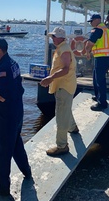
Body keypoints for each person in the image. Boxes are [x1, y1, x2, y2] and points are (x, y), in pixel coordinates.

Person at [0, 37, 32, 197]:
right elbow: (7, 84)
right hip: (17, 109)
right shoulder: (12, 63)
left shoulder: (3, 68)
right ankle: (27, 171)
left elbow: (1, 96)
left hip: (7, 113)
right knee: (16, 142)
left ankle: (2, 187)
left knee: (3, 149)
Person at [39, 27, 79, 156]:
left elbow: (66, 69)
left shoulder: (64, 49)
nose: (52, 38)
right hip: (63, 84)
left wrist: (50, 78)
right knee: (65, 108)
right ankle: (73, 127)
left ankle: (62, 146)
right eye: (52, 36)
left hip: (65, 85)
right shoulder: (62, 47)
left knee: (61, 115)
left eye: (54, 36)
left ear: (61, 37)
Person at [85, 14, 109, 111]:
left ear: (97, 20)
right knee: (96, 77)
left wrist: (87, 52)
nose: (91, 23)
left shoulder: (97, 30)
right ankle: (98, 96)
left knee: (100, 80)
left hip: (101, 58)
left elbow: (89, 43)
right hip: (106, 57)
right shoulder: (106, 29)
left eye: (91, 21)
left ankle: (102, 103)